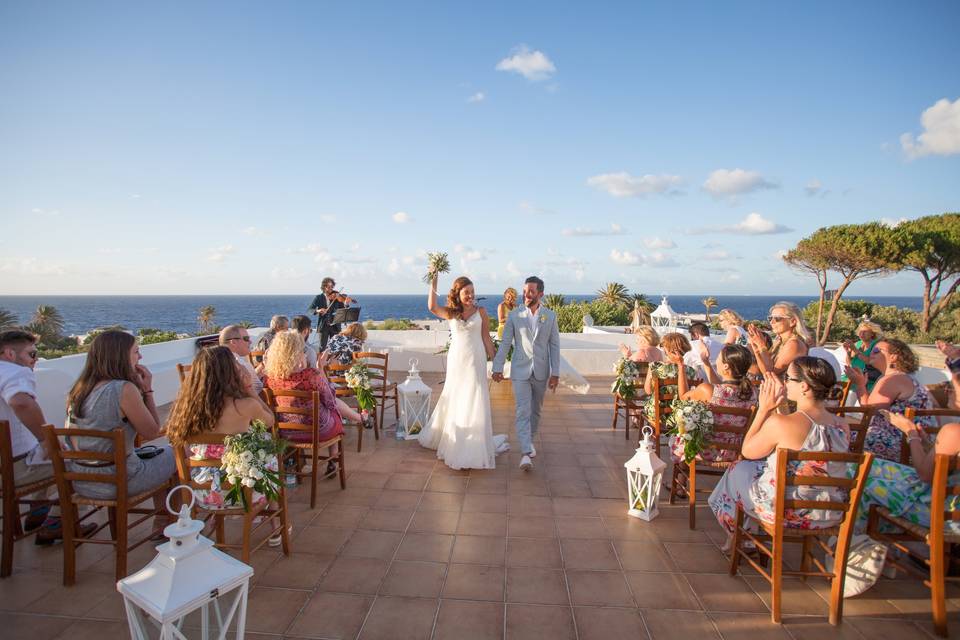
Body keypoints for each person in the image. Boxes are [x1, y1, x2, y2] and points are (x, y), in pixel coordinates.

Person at [708, 357, 851, 551]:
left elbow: (747, 451)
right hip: (828, 513)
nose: (784, 382)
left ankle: (739, 535)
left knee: (736, 470)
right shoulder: (843, 425)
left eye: (788, 378)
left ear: (804, 387)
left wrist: (764, 409)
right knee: (750, 470)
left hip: (785, 511)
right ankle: (740, 536)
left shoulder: (782, 423)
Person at [63, 331, 176, 534]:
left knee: (157, 456)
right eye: (136, 352)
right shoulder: (123, 389)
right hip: (119, 480)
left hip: (82, 480)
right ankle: (167, 524)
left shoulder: (77, 390)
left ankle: (164, 520)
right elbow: (152, 431)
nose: (140, 357)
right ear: (120, 356)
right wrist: (147, 390)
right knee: (178, 453)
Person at [165, 347, 277, 514]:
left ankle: (213, 522)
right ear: (230, 372)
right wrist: (250, 390)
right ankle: (274, 525)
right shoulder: (244, 406)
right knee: (272, 460)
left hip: (201, 492)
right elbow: (269, 421)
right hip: (238, 492)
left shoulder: (185, 409)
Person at [421, 274, 505, 470]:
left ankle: (473, 446)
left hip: (476, 360)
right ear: (457, 294)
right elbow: (432, 307)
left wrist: (497, 364)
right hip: (457, 360)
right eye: (466, 292)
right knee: (457, 397)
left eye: (472, 292)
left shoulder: (481, 311)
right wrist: (434, 281)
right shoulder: (451, 312)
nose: (470, 295)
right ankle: (456, 440)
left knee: (475, 396)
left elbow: (486, 339)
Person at [0, 330, 72, 542]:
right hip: (13, 469)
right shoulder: (15, 372)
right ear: (9, 354)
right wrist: (46, 440)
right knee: (78, 464)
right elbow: (20, 402)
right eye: (31, 354)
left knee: (47, 454)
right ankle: (54, 523)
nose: (36, 360)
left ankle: (38, 510)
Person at [263, 331, 367, 475]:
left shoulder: (270, 378)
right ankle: (333, 459)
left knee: (330, 410)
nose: (305, 353)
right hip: (317, 431)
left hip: (286, 432)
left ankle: (358, 420)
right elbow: (330, 401)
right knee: (333, 412)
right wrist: (321, 368)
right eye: (302, 350)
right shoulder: (311, 375)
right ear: (296, 353)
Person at [853, 411, 960, 537]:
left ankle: (857, 539)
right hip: (948, 505)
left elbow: (925, 475)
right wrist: (927, 445)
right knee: (864, 467)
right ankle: (871, 538)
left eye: (954, 389)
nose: (949, 391)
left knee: (863, 481)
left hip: (941, 513)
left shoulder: (954, 432)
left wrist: (911, 433)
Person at [492, 276, 561, 472]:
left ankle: (528, 442)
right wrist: (498, 367)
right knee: (523, 410)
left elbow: (554, 346)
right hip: (520, 371)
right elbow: (506, 343)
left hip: (542, 371)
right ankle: (525, 453)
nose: (526, 294)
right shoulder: (514, 315)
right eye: (525, 291)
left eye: (531, 291)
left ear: (540, 294)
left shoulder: (550, 316)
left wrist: (555, 373)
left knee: (535, 411)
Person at [845, 338, 937, 462]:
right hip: (912, 444)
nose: (871, 353)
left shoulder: (892, 379)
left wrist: (860, 385)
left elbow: (869, 410)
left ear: (894, 357)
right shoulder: (903, 378)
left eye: (877, 350)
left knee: (835, 434)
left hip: (898, 442)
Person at [672, 344, 758, 463]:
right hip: (735, 452)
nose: (716, 360)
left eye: (718, 357)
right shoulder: (752, 391)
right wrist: (706, 363)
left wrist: (681, 366)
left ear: (726, 366)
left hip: (707, 450)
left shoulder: (707, 390)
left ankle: (684, 474)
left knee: (679, 435)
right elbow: (720, 388)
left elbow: (683, 398)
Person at [748, 301, 810, 377]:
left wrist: (761, 345)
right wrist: (756, 349)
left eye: (777, 318)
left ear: (792, 322)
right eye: (770, 318)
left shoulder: (794, 344)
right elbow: (764, 370)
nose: (772, 322)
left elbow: (770, 373)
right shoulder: (779, 341)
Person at [218, 324, 262, 397]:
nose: (250, 342)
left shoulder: (214, 362)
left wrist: (261, 368)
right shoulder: (241, 364)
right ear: (233, 342)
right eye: (246, 339)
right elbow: (257, 388)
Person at [309, 277, 352, 350]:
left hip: (335, 327)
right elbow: (310, 310)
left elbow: (343, 309)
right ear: (324, 287)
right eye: (329, 287)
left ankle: (333, 361)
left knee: (336, 348)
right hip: (323, 327)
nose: (331, 289)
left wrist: (346, 304)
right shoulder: (319, 297)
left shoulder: (337, 297)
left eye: (332, 287)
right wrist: (318, 310)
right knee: (322, 348)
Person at [843, 320, 883, 391]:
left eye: (865, 331)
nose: (862, 334)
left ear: (872, 334)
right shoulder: (858, 344)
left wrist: (855, 350)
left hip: (867, 380)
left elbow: (870, 362)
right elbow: (850, 363)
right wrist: (848, 352)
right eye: (860, 332)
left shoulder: (876, 345)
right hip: (853, 377)